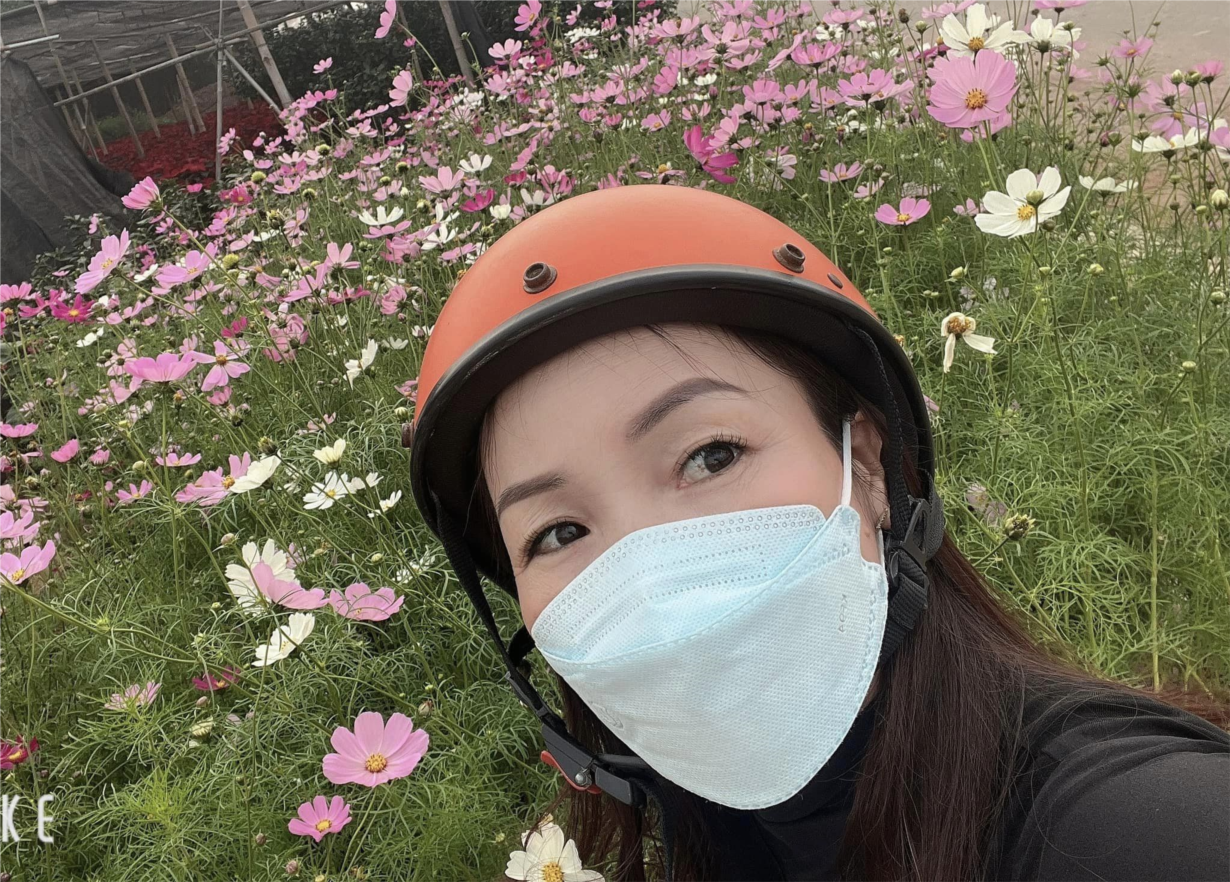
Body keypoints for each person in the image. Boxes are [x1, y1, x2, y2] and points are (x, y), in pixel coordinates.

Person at [405, 185, 1230, 882]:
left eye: (711, 455)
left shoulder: (1133, 828)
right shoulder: (692, 834)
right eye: (557, 533)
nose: (651, 586)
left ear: (868, 467)